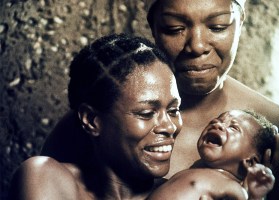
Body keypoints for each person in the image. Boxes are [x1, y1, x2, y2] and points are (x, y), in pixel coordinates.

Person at [41, 0, 279, 199]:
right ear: (153, 26)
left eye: (218, 26)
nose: (197, 46)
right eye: (174, 28)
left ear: (241, 21)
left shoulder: (272, 127)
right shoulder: (89, 124)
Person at [8, 33, 183, 200]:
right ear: (91, 120)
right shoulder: (43, 178)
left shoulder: (191, 191)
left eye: (173, 110)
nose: (169, 127)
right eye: (146, 113)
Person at [147, 109, 276, 200]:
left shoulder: (233, 188)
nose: (218, 125)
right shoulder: (197, 169)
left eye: (233, 127)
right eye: (214, 121)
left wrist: (255, 196)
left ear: (250, 162)